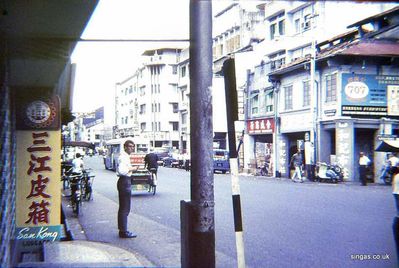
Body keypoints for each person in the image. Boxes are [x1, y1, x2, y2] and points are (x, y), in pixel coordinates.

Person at [116, 140, 138, 238]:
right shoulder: (124, 157)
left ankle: (122, 230)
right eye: (129, 146)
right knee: (125, 208)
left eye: (133, 146)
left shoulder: (125, 157)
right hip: (124, 181)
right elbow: (122, 171)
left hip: (124, 181)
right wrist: (132, 169)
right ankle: (123, 231)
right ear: (125, 147)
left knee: (123, 208)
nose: (131, 148)